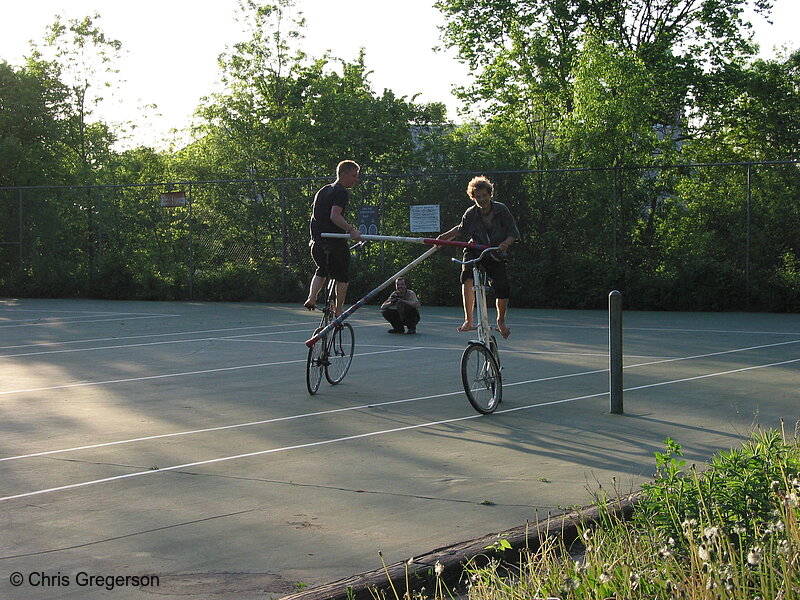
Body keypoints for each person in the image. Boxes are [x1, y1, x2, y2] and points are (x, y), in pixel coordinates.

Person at [437, 175, 520, 339]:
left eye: (484, 196)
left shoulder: (501, 210)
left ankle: (501, 321)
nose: (481, 200)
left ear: (490, 194)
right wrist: (443, 238)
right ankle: (469, 320)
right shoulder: (471, 213)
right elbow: (460, 229)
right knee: (467, 275)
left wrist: (506, 243)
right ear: (473, 197)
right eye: (478, 197)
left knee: (502, 286)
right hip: (475, 248)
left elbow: (513, 233)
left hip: (495, 252)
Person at [304, 160, 362, 316]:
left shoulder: (323, 191)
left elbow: (314, 218)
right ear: (343, 175)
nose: (356, 179)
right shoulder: (341, 191)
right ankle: (338, 309)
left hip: (318, 241)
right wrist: (351, 230)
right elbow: (334, 216)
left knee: (322, 269)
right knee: (343, 275)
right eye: (353, 176)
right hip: (334, 240)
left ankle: (312, 297)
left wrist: (315, 237)